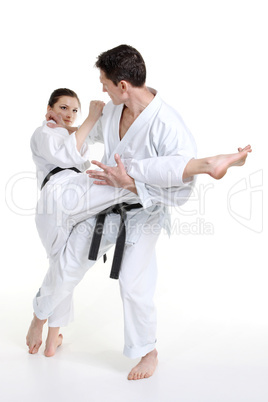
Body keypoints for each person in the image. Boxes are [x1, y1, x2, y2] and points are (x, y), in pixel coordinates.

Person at [27, 46, 251, 381]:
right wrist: (56, 128)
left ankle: (149, 352)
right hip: (106, 200)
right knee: (68, 264)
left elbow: (181, 191)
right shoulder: (115, 111)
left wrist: (130, 183)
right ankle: (39, 316)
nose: (101, 90)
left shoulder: (168, 125)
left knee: (133, 283)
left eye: (104, 83)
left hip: (144, 209)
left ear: (122, 85)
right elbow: (85, 135)